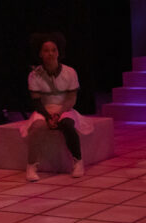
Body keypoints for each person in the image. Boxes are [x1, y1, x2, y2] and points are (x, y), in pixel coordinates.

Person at [22, 32, 93, 181]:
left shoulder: (70, 72)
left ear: (59, 52)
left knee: (67, 124)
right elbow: (36, 101)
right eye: (46, 50)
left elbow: (71, 98)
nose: (50, 53)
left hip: (64, 108)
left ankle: (78, 161)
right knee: (36, 128)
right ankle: (31, 166)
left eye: (53, 50)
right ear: (40, 53)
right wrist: (48, 117)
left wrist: (59, 114)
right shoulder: (34, 75)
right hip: (44, 109)